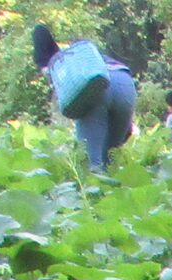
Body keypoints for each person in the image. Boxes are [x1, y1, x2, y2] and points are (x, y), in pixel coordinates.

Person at [29, 23, 135, 172]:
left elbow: (67, 109)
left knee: (92, 165)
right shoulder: (88, 55)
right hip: (124, 81)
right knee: (110, 159)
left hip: (94, 89)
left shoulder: (58, 66)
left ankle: (94, 181)